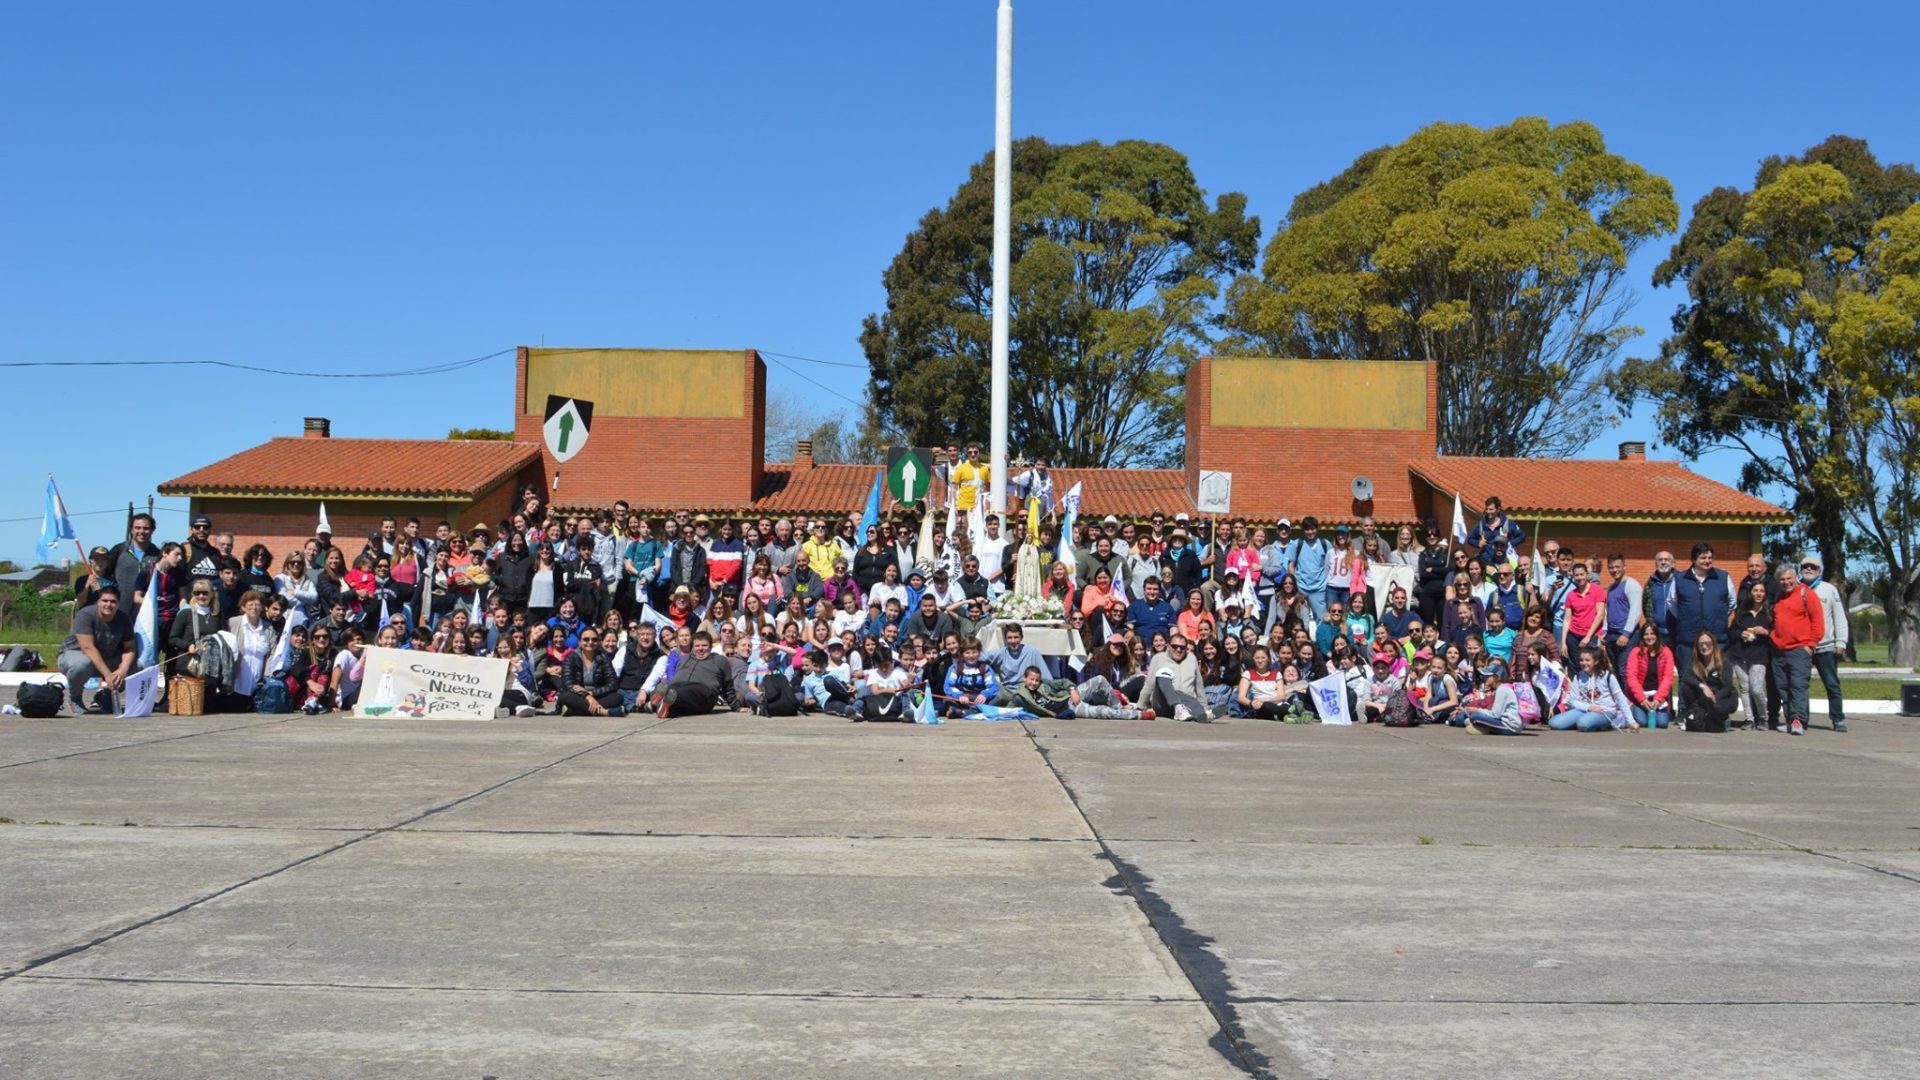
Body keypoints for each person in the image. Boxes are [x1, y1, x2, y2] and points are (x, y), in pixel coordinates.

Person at [58, 586, 136, 714]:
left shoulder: (124, 619)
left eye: (113, 602)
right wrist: (108, 675)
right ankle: (75, 698)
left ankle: (105, 695)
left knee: (138, 665)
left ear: (118, 604)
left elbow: (129, 648)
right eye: (105, 601)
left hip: (106, 657)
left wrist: (123, 670)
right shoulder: (85, 615)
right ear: (98, 602)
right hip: (76, 654)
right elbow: (88, 648)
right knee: (82, 665)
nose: (108, 604)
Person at [1769, 562, 1825, 737]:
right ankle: (1789, 719)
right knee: (1783, 687)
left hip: (1799, 650)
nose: (1786, 582)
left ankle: (1798, 720)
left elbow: (1818, 621)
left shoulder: (1806, 594)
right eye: (1782, 580)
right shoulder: (1779, 596)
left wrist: (1811, 644)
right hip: (1779, 650)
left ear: (1795, 577)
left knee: (1798, 686)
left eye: (1789, 578)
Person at [1801, 554, 1848, 733]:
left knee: (1832, 684)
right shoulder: (1797, 589)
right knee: (1801, 685)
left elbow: (1839, 617)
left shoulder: (1829, 589)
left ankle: (1838, 719)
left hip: (1826, 646)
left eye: (1813, 567)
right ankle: (1801, 719)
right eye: (1805, 567)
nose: (1809, 570)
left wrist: (1841, 641)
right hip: (1804, 647)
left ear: (1819, 571)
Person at [1552, 646, 1638, 732]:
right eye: (1581, 660)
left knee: (1583, 723)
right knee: (1554, 723)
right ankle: (1589, 722)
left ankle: (1602, 723)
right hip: (1585, 710)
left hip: (1605, 711)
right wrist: (1589, 707)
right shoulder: (1578, 677)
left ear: (1596, 661)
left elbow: (1620, 699)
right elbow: (1572, 700)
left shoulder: (1608, 676)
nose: (1583, 663)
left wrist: (1631, 721)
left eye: (1587, 660)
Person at [1728, 579, 1774, 731]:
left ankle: (1763, 717)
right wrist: (1741, 633)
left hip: (1759, 656)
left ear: (1765, 594)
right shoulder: (1742, 612)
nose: (1758, 594)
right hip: (1739, 655)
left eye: (1761, 591)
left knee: (1756, 688)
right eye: (1755, 591)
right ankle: (1749, 719)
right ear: (1750, 593)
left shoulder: (1769, 614)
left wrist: (1765, 632)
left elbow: (1776, 633)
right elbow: (1732, 632)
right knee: (1745, 688)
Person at [658, 630, 733, 717]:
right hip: (680, 692)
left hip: (704, 694)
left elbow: (728, 685)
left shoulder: (719, 660)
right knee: (672, 709)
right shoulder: (685, 659)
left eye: (704, 645)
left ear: (711, 647)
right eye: (697, 646)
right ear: (692, 647)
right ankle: (661, 705)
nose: (700, 648)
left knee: (679, 692)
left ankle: (664, 699)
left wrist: (736, 706)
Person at [1145, 632, 1216, 723]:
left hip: (1186, 704)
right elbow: (1148, 685)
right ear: (1168, 647)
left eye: (1182, 647)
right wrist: (1140, 706)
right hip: (1162, 704)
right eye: (1174, 646)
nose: (1178, 649)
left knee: (1186, 697)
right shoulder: (1158, 659)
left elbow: (1199, 686)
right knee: (1162, 674)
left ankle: (1202, 714)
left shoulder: (1192, 660)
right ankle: (1179, 707)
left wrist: (1204, 706)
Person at [1673, 542, 1733, 647]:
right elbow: (1672, 603)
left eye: (1710, 558)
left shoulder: (1723, 577)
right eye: (1703, 558)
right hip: (1688, 641)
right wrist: (1685, 617)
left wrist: (1719, 616)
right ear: (1693, 560)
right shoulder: (1679, 579)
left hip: (1717, 640)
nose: (1707, 561)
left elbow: (1732, 602)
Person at [1679, 631, 1738, 733]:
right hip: (1704, 696)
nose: (1704, 647)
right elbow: (1685, 676)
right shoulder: (1695, 661)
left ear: (1714, 645)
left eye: (1708, 643)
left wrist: (1714, 699)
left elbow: (1727, 687)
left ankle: (1722, 719)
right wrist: (1702, 686)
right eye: (1701, 644)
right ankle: (1700, 717)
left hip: (1723, 697)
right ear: (1697, 646)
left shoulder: (1724, 661)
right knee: (1686, 688)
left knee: (1716, 707)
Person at [556, 627, 624, 716]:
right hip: (577, 696)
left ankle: (575, 711)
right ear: (579, 642)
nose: (590, 642)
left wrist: (592, 693)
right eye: (586, 639)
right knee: (564, 696)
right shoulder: (571, 658)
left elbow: (613, 683)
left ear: (598, 642)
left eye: (594, 639)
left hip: (597, 696)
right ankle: (602, 711)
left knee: (618, 697)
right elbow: (568, 684)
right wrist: (586, 696)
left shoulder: (604, 657)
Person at [1621, 623, 1676, 729]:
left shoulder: (1666, 652)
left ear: (1657, 635)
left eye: (1652, 633)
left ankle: (1653, 710)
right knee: (1642, 722)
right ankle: (1633, 709)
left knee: (1662, 724)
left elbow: (1668, 677)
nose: (1649, 637)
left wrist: (1658, 699)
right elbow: (1631, 677)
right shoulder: (1635, 652)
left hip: (1658, 696)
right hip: (1640, 696)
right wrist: (1642, 700)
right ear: (1642, 637)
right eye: (1646, 634)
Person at [941, 637, 1001, 717]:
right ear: (962, 654)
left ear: (979, 653)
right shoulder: (956, 667)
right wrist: (960, 695)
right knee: (947, 700)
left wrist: (985, 694)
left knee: (998, 697)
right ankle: (965, 710)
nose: (971, 656)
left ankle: (962, 713)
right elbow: (948, 686)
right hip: (961, 699)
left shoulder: (985, 668)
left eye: (974, 652)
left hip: (979, 698)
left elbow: (993, 686)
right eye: (967, 653)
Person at [1460, 662, 1525, 734]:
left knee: (1475, 717)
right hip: (1512, 724)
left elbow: (1495, 714)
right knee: (1474, 717)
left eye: (1487, 676)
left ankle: (1487, 729)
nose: (1484, 678)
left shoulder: (1502, 690)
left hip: (1510, 726)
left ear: (1496, 678)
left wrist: (1477, 710)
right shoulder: (1504, 688)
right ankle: (1484, 727)